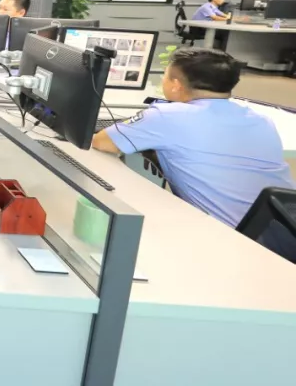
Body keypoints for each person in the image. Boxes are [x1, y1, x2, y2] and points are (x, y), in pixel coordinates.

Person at [92, 48, 296, 262]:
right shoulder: (261, 120)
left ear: (175, 85)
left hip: (234, 248)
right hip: (286, 236)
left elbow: (101, 142)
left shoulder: (167, 116)